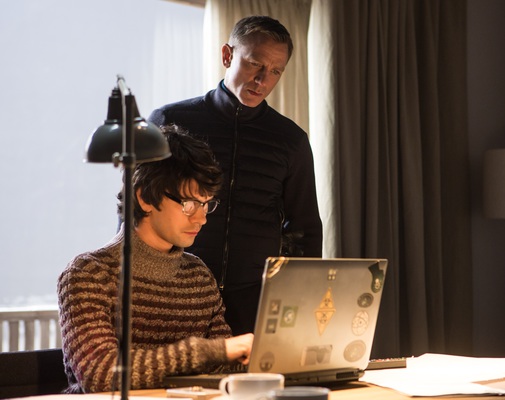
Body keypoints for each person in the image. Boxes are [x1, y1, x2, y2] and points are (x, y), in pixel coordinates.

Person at [148, 15, 323, 335]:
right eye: (254, 64)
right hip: (177, 293)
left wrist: (303, 300)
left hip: (256, 300)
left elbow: (304, 229)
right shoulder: (170, 120)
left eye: (275, 71)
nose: (262, 80)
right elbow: (138, 210)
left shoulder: (291, 140)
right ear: (227, 55)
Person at [57, 125, 253, 393]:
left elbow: (223, 367)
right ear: (144, 198)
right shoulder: (89, 274)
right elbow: (101, 374)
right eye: (189, 204)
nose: (201, 218)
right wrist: (208, 351)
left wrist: (267, 354)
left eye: (206, 203)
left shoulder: (197, 276)